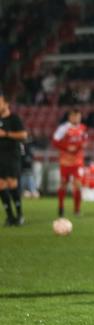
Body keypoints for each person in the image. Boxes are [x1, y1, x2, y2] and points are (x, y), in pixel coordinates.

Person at [52, 108, 87, 218]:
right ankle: (61, 207)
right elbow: (55, 141)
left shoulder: (83, 128)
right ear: (69, 117)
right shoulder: (63, 128)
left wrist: (78, 147)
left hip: (78, 161)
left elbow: (84, 142)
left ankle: (77, 210)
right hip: (65, 161)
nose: (76, 118)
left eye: (78, 116)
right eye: (74, 116)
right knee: (63, 183)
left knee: (78, 184)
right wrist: (67, 148)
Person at [0, 94, 28, 226]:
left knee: (12, 183)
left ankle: (19, 215)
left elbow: (23, 134)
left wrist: (6, 134)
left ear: (6, 104)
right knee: (1, 185)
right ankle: (10, 216)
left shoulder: (14, 118)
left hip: (12, 155)